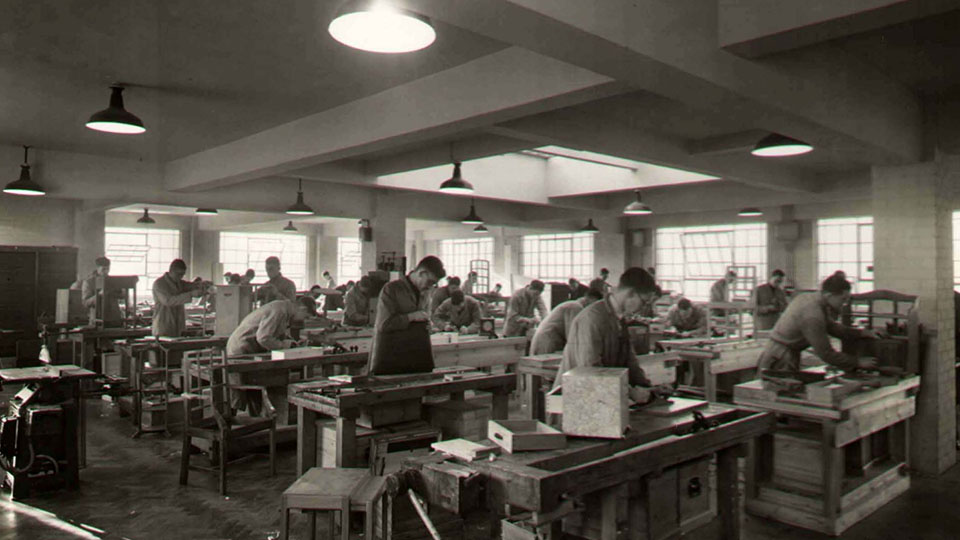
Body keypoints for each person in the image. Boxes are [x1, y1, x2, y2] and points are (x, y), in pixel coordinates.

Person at [553, 268, 668, 403]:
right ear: (631, 293)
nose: (644, 308)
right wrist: (631, 393)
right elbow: (591, 370)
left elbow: (630, 361)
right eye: (644, 302)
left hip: (600, 398)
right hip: (573, 402)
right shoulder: (592, 319)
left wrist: (649, 388)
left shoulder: (619, 319)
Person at [756, 271, 878, 376]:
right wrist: (857, 362)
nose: (844, 304)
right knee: (777, 395)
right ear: (829, 295)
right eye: (843, 299)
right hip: (780, 357)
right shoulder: (812, 314)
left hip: (782, 352)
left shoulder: (813, 299)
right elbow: (826, 353)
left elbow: (832, 327)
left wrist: (863, 333)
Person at [226, 296, 319, 413]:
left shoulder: (284, 310)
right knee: (240, 389)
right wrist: (285, 346)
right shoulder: (279, 311)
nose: (303, 320)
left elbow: (275, 332)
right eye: (305, 317)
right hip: (242, 349)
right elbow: (264, 338)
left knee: (253, 387)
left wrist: (291, 342)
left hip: (250, 348)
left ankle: (255, 418)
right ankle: (234, 421)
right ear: (302, 309)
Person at [367, 256, 446, 375]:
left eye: (433, 284)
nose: (430, 287)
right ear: (421, 273)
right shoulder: (391, 289)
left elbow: (423, 317)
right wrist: (411, 317)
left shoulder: (426, 293)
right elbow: (383, 325)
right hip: (390, 357)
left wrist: (427, 326)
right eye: (430, 282)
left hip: (415, 356)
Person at [530, 288, 603, 355]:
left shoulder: (574, 306)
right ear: (589, 298)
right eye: (594, 304)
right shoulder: (575, 307)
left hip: (548, 340)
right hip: (547, 342)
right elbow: (572, 335)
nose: (593, 308)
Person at [151, 259, 209, 337]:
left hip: (177, 324)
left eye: (182, 274)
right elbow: (168, 301)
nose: (181, 277)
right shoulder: (159, 284)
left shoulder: (179, 283)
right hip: (164, 323)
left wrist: (201, 284)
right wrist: (191, 294)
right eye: (179, 274)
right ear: (171, 271)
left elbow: (190, 285)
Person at [82, 256, 122, 325]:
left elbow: (121, 296)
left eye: (108, 269)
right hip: (98, 320)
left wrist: (121, 292)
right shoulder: (89, 282)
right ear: (97, 268)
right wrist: (99, 295)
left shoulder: (113, 281)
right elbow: (86, 303)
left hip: (114, 320)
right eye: (103, 269)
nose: (106, 272)